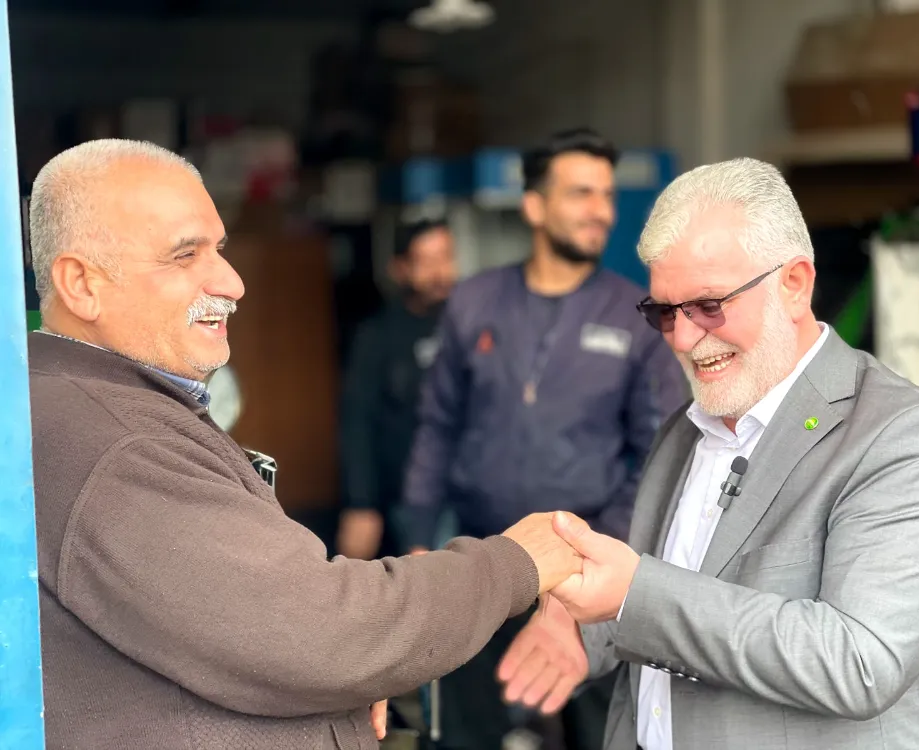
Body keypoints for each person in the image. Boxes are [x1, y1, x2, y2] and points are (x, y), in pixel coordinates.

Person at [26, 138, 586, 750]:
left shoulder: (80, 403)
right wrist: (516, 562)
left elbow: (270, 637)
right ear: (81, 283)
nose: (232, 283)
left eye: (220, 250)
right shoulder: (121, 445)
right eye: (185, 255)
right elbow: (325, 633)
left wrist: (342, 678)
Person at [497, 157, 919, 749]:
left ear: (795, 284)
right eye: (664, 312)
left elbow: (860, 662)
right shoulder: (685, 431)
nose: (683, 338)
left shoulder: (907, 437)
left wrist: (630, 594)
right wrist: (581, 631)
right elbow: (672, 597)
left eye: (709, 305)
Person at [402, 128, 688, 750]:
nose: (602, 211)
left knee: (602, 736)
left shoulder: (634, 316)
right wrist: (418, 540)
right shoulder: (475, 302)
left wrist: (592, 555)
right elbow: (437, 427)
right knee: (464, 735)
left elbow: (659, 457)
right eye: (582, 193)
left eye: (607, 195)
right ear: (534, 205)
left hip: (586, 575)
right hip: (479, 561)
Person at [337, 218, 458, 560]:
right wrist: (361, 503)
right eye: (426, 261)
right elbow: (358, 421)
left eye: (446, 257)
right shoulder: (377, 336)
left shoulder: (471, 326)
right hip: (410, 494)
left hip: (473, 490)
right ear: (400, 268)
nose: (440, 272)